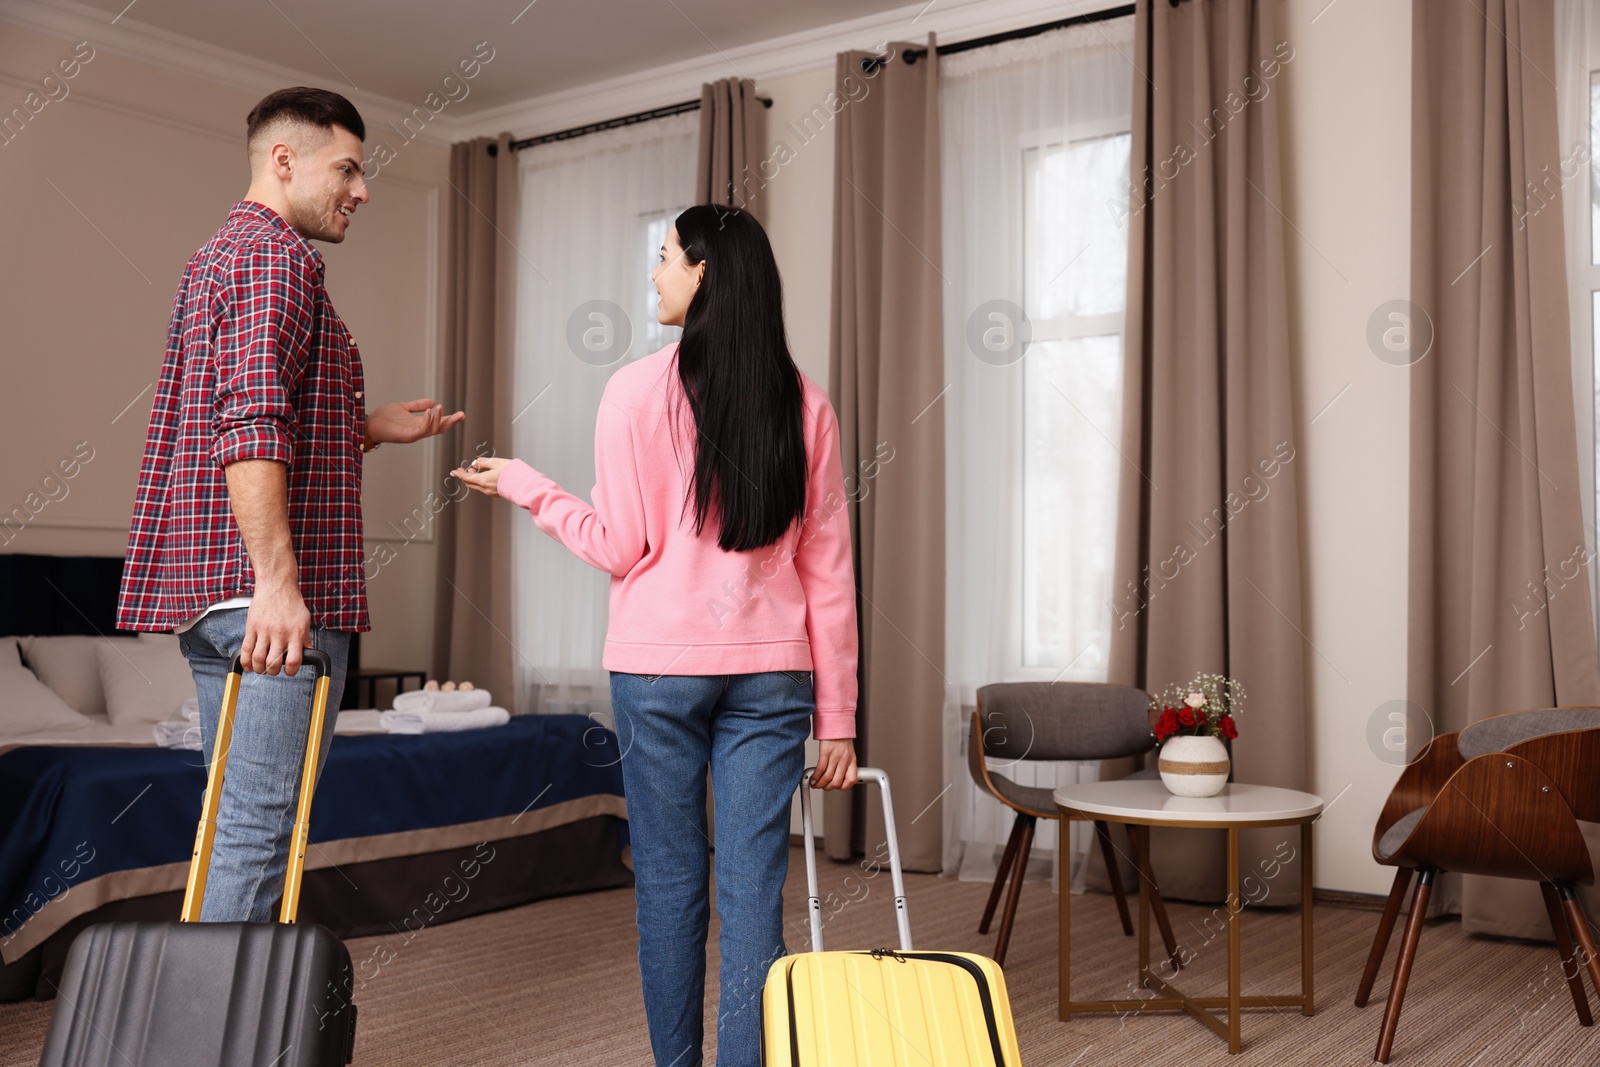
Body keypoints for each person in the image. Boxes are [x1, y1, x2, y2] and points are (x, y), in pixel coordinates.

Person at [454, 204, 858, 1066]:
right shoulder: (806, 402)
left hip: (658, 670)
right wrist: (840, 716)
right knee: (753, 894)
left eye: (666, 257)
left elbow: (619, 545)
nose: (655, 274)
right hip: (775, 677)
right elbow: (828, 568)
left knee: (670, 885)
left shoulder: (635, 389)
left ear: (705, 272)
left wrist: (527, 485)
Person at [116, 86, 463, 922]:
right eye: (347, 167)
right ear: (284, 159)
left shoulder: (219, 256)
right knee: (259, 830)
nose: (363, 190)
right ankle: (228, 1040)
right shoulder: (277, 259)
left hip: (213, 593)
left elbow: (250, 414)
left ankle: (212, 1026)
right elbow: (251, 423)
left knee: (234, 823)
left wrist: (364, 426)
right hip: (264, 604)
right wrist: (278, 581)